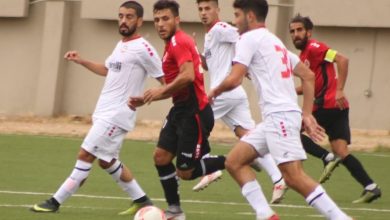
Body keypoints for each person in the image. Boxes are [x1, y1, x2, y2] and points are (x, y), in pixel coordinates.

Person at [209, 0, 354, 219]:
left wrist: (212, 93)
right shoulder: (274, 41)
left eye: (237, 15)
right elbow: (308, 75)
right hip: (276, 119)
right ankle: (265, 214)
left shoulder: (248, 39)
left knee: (293, 177)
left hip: (280, 117)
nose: (234, 21)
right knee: (234, 162)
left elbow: (234, 79)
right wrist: (305, 113)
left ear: (250, 16)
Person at [30, 1, 164, 215]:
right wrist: (81, 61)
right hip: (104, 113)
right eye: (121, 16)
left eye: (129, 16)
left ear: (139, 21)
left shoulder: (144, 48)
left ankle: (55, 202)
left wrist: (147, 98)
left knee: (85, 154)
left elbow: (166, 81)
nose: (123, 20)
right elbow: (107, 69)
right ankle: (142, 200)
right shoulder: (121, 44)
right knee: (107, 161)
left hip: (117, 115)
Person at [128, 1, 225, 219]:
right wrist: (148, 98)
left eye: (165, 19)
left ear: (177, 19)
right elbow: (179, 83)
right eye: (157, 20)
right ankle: (175, 210)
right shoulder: (171, 43)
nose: (160, 24)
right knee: (161, 157)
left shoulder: (179, 41)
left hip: (194, 113)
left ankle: (233, 160)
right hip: (179, 111)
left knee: (186, 171)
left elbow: (188, 76)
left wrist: (160, 90)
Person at [193, 0, 287, 204]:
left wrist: (247, 64)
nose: (203, 13)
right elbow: (211, 65)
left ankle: (207, 166)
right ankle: (278, 178)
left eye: (207, 8)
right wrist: (198, 56)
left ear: (217, 10)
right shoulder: (210, 35)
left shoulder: (220, 29)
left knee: (192, 121)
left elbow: (244, 35)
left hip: (223, 93)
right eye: (200, 9)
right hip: (234, 94)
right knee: (248, 137)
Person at [289, 13, 382, 203]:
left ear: (309, 32)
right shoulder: (304, 55)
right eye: (292, 31)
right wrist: (288, 90)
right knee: (342, 150)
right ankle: (371, 187)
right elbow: (311, 85)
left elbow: (342, 59)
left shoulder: (315, 47)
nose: (296, 34)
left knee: (290, 131)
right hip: (338, 108)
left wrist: (339, 89)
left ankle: (326, 157)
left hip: (327, 105)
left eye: (299, 30)